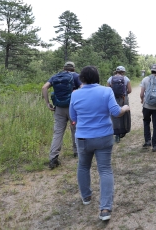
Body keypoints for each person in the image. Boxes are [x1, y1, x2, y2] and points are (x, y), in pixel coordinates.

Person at [70, 65, 130, 221]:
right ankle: (105, 209)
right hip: (104, 137)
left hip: (83, 138)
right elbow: (116, 112)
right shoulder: (106, 91)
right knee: (105, 170)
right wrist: (124, 108)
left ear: (81, 78)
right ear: (98, 78)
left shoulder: (75, 94)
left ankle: (86, 197)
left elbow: (73, 118)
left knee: (83, 166)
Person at [42, 61, 82, 169]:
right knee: (75, 129)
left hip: (59, 108)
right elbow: (83, 88)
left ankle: (53, 158)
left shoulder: (55, 76)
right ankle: (77, 152)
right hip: (72, 108)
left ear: (64, 68)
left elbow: (44, 88)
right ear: (73, 68)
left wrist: (47, 103)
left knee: (58, 132)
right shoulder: (76, 76)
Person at [140, 64, 156, 152]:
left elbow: (141, 93)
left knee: (146, 122)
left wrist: (142, 100)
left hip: (147, 106)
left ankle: (147, 141)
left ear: (151, 71)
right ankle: (155, 145)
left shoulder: (145, 79)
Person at [106, 66, 132, 143]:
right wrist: (124, 94)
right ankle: (124, 130)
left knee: (114, 115)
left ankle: (116, 134)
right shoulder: (126, 79)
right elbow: (130, 90)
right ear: (123, 72)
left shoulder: (110, 79)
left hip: (113, 99)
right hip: (124, 98)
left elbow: (107, 90)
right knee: (124, 113)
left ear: (116, 71)